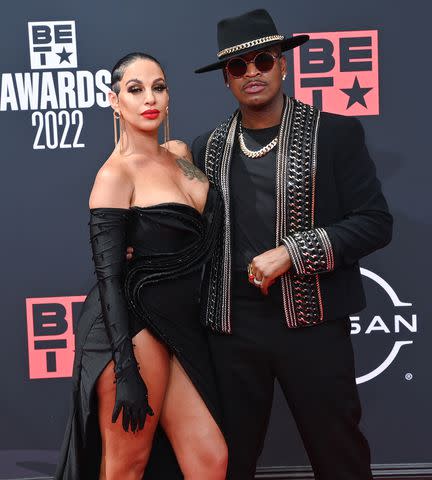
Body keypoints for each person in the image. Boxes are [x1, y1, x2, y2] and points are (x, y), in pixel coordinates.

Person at [192, 9, 393, 480]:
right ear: (227, 79)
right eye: (238, 67)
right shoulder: (207, 148)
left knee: (337, 453)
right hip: (230, 329)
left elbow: (375, 222)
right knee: (227, 460)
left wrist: (294, 252)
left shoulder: (335, 133)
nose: (252, 73)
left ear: (283, 64)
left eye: (262, 60)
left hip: (314, 324)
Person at [55, 52, 227, 480]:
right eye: (135, 90)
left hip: (181, 327)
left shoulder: (180, 153)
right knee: (126, 465)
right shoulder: (115, 176)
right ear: (115, 102)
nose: (149, 98)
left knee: (210, 459)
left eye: (159, 86)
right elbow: (109, 278)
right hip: (133, 327)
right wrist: (125, 367)